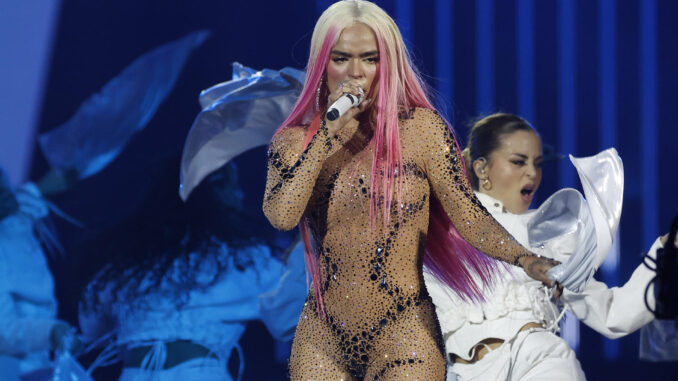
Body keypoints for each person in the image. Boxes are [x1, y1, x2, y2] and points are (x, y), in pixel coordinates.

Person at [262, 1, 554, 379]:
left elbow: (468, 214)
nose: (356, 73)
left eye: (370, 59)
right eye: (341, 59)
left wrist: (524, 258)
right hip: (323, 337)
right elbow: (281, 216)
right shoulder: (294, 142)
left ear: (388, 64)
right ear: (321, 64)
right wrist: (323, 137)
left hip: (404, 333)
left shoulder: (422, 132)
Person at [424, 113, 664, 380]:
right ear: (481, 169)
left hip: (540, 363)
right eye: (518, 162)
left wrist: (666, 251)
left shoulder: (549, 233)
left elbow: (612, 315)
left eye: (538, 164)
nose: (532, 173)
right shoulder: (436, 229)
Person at [78, 160, 306, 381]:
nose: (240, 195)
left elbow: (91, 326)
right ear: (213, 193)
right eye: (232, 185)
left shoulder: (130, 270)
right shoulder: (242, 262)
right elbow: (288, 315)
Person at [0, 168, 81, 380]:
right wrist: (50, 332)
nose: (5, 192)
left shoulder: (20, 228)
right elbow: (4, 330)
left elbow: (68, 172)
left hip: (36, 366)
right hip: (12, 369)